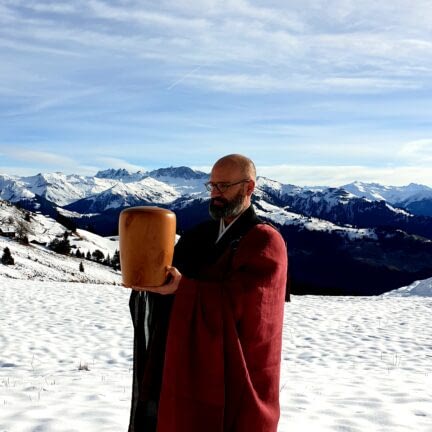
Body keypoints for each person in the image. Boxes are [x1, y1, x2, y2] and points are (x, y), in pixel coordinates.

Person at [128, 154, 288, 432]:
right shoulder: (198, 235)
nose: (215, 194)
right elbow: (169, 279)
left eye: (223, 186)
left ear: (249, 187)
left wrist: (185, 289)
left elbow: (249, 305)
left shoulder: (264, 240)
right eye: (211, 186)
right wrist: (148, 283)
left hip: (229, 374)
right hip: (183, 364)